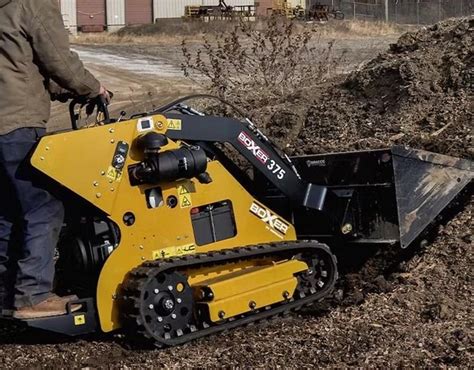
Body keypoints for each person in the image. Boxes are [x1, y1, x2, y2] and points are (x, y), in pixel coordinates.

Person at [0, 0, 109, 319]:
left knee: (8, 212)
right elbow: (58, 60)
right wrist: (93, 88)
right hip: (17, 124)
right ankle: (33, 294)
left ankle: (8, 292)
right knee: (44, 204)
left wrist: (64, 90)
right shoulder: (30, 3)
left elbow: (21, 64)